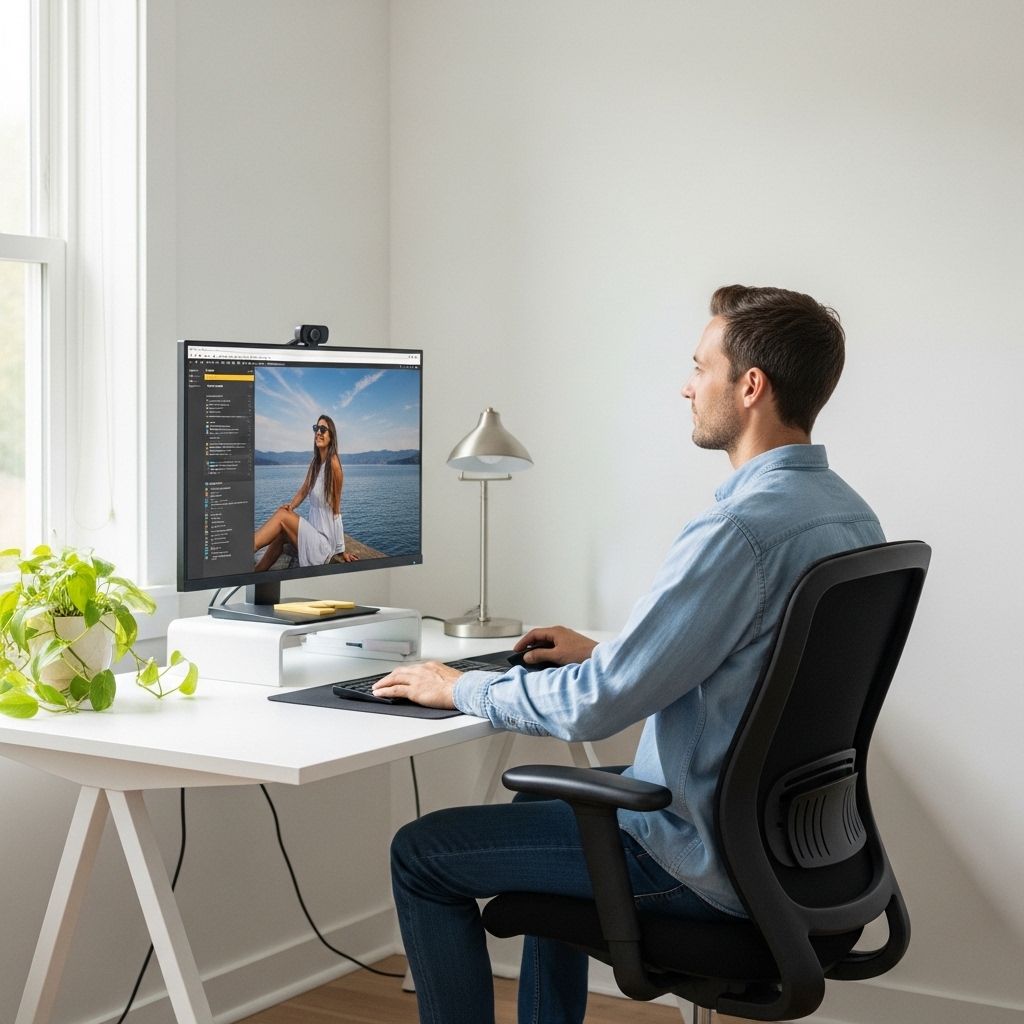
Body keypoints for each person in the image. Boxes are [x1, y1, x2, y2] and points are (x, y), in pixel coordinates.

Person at [375, 285, 885, 1024]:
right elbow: (758, 650)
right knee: (549, 798)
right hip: (792, 855)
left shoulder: (738, 529)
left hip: (700, 859)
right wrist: (610, 647)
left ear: (750, 387)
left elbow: (594, 706)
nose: (687, 384)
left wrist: (457, 687)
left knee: (421, 855)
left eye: (700, 366)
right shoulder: (844, 513)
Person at [252, 414, 357, 571]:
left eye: (323, 429)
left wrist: (341, 551)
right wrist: (291, 506)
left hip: (323, 545)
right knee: (281, 530)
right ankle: (256, 573)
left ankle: (242, 551)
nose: (318, 432)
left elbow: (336, 509)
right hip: (313, 533)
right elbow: (304, 489)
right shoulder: (316, 463)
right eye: (316, 428)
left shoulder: (333, 465)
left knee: (282, 515)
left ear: (331, 436)